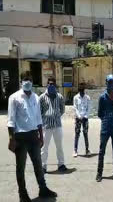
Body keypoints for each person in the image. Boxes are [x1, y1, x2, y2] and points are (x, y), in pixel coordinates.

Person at [7, 72, 57, 202]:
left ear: (32, 81)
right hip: (20, 137)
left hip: (34, 136)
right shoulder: (14, 98)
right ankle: (22, 194)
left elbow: (38, 118)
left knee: (38, 165)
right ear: (21, 81)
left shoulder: (35, 97)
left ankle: (43, 189)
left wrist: (41, 136)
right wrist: (11, 139)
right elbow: (10, 120)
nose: (27, 82)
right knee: (20, 167)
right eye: (25, 79)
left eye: (29, 79)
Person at [96, 74, 113, 182]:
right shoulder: (102, 97)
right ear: (106, 82)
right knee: (102, 150)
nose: (110, 84)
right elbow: (99, 113)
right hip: (105, 127)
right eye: (109, 82)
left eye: (112, 82)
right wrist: (106, 119)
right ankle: (99, 172)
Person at [40, 76, 68, 173]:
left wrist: (56, 116)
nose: (51, 85)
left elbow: (62, 109)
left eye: (53, 83)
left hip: (57, 126)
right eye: (49, 83)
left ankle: (61, 164)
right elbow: (39, 112)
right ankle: (43, 166)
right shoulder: (42, 97)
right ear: (47, 84)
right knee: (44, 147)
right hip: (46, 126)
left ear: (55, 85)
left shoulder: (59, 96)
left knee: (59, 146)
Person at [73, 82, 91, 157]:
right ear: (79, 90)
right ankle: (75, 150)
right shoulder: (76, 97)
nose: (82, 92)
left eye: (83, 90)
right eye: (80, 90)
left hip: (85, 118)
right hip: (78, 118)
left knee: (85, 134)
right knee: (77, 134)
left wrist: (85, 116)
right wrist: (79, 116)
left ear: (84, 90)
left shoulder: (87, 98)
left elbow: (89, 108)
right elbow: (75, 107)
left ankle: (87, 150)